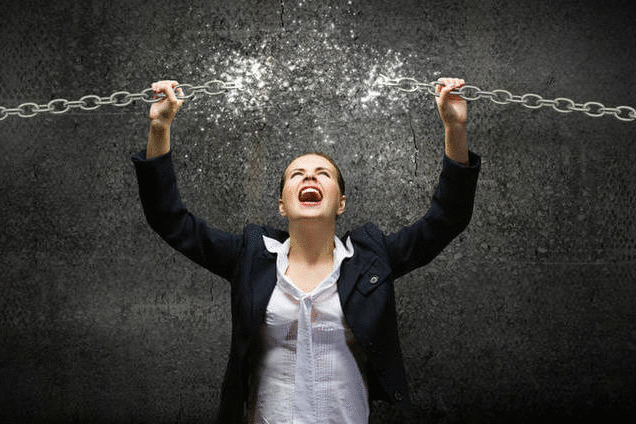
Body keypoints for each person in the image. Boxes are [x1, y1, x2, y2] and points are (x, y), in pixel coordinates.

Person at [131, 76, 481, 423]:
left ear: (340, 203)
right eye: (297, 174)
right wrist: (160, 127)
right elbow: (170, 219)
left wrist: (455, 128)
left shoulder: (371, 260)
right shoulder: (250, 258)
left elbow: (446, 219)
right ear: (282, 205)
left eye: (322, 174)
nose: (310, 177)